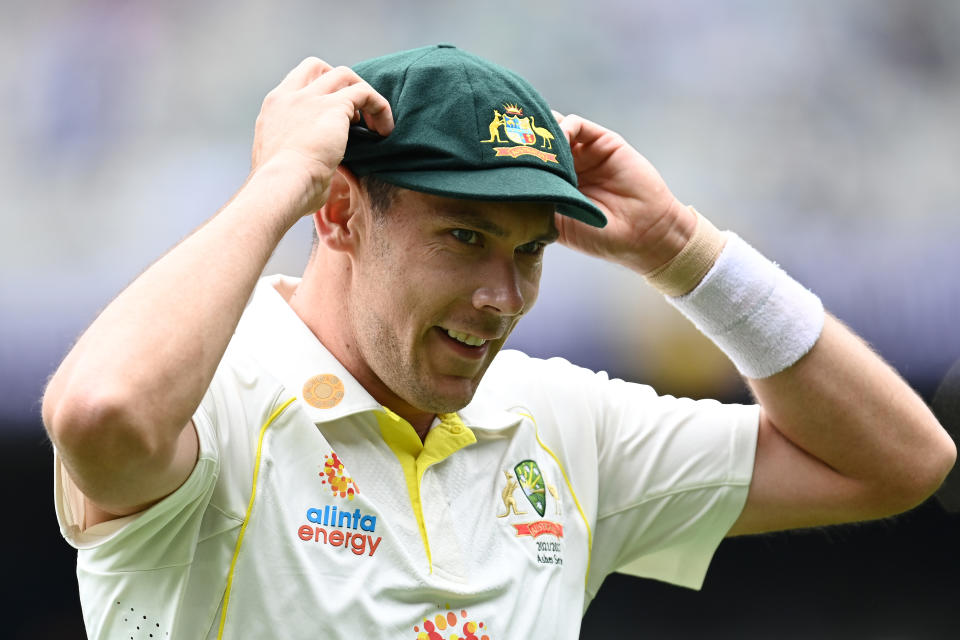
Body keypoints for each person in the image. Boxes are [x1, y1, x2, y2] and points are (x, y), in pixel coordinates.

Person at [43, 44, 955, 639]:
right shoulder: (214, 404)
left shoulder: (559, 422)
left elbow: (899, 461)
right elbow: (98, 410)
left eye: (529, 251)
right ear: (337, 215)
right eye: (464, 239)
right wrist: (278, 178)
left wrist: (681, 249)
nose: (501, 296)